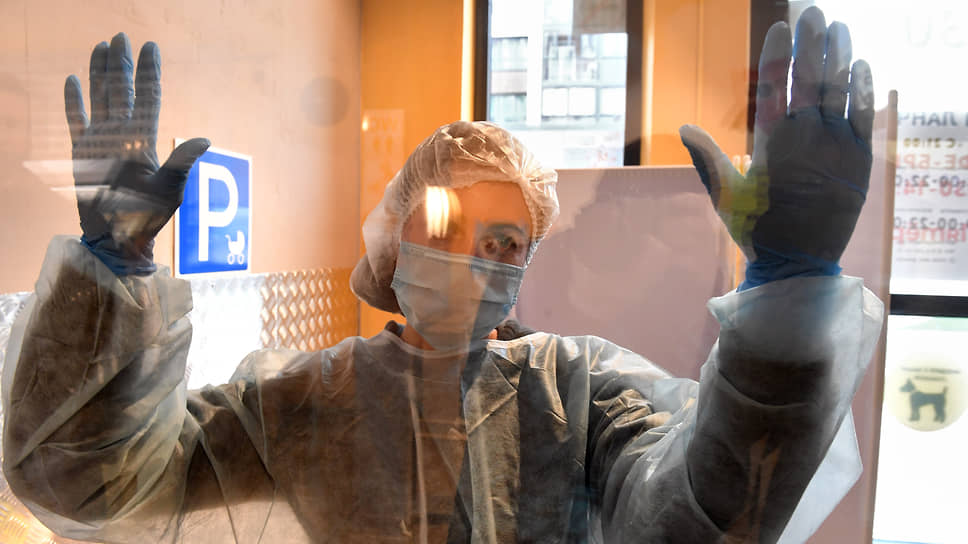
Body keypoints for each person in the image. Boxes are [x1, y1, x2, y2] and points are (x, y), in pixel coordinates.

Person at [2, 6, 882, 543]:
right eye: (448, 227)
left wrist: (788, 295)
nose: (477, 257)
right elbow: (91, 486)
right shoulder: (299, 402)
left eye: (507, 242)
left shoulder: (580, 395)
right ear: (395, 239)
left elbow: (714, 515)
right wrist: (110, 274)